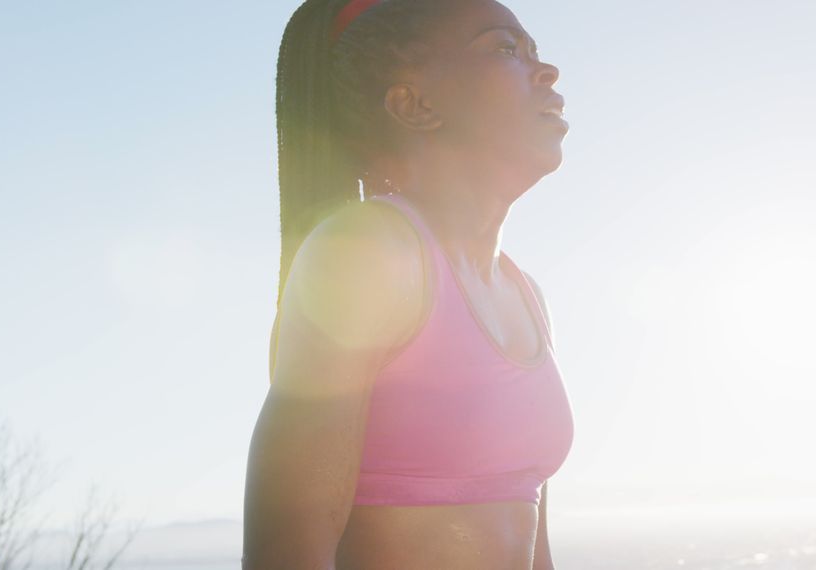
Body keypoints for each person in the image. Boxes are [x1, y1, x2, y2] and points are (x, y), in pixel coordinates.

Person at [242, 0, 574, 567]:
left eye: (536, 52)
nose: (546, 71)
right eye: (504, 48)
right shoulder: (369, 254)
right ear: (413, 104)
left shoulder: (526, 296)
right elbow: (287, 555)